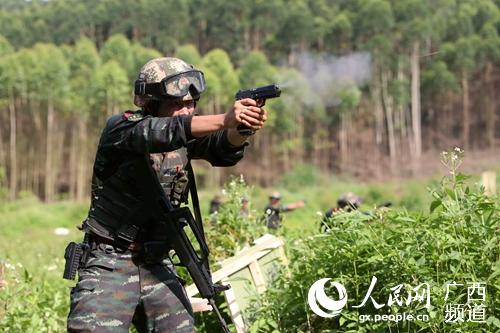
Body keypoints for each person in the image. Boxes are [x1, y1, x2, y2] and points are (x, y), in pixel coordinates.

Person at [66, 57, 267, 332]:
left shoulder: (182, 135)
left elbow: (222, 148)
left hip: (157, 262)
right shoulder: (123, 129)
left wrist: (242, 128)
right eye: (176, 104)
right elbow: (159, 133)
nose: (186, 111)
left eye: (191, 104)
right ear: (151, 104)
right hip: (109, 262)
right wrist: (225, 119)